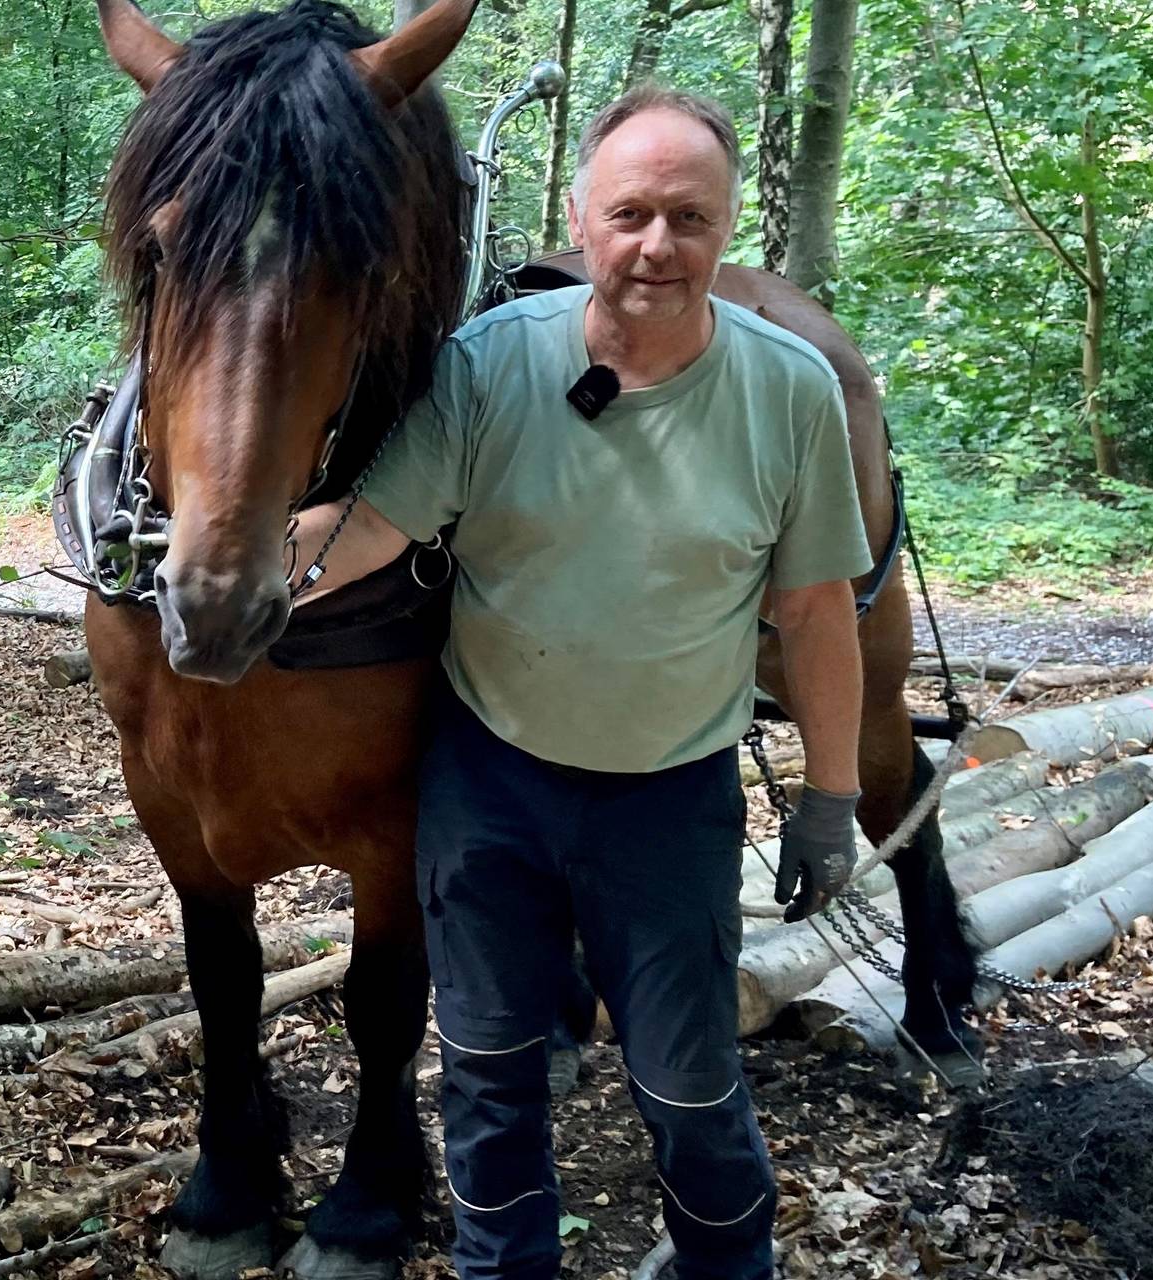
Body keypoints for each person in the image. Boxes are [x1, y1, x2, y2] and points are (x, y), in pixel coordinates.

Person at [298, 84, 872, 1280]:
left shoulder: (786, 390)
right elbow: (370, 529)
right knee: (487, 1074)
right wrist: (220, 567)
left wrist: (828, 798)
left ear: (726, 225)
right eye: (629, 214)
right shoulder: (488, 364)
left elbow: (816, 610)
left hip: (666, 798)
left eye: (688, 217)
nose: (656, 244)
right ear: (579, 218)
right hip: (490, 783)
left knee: (688, 1085)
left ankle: (724, 1264)